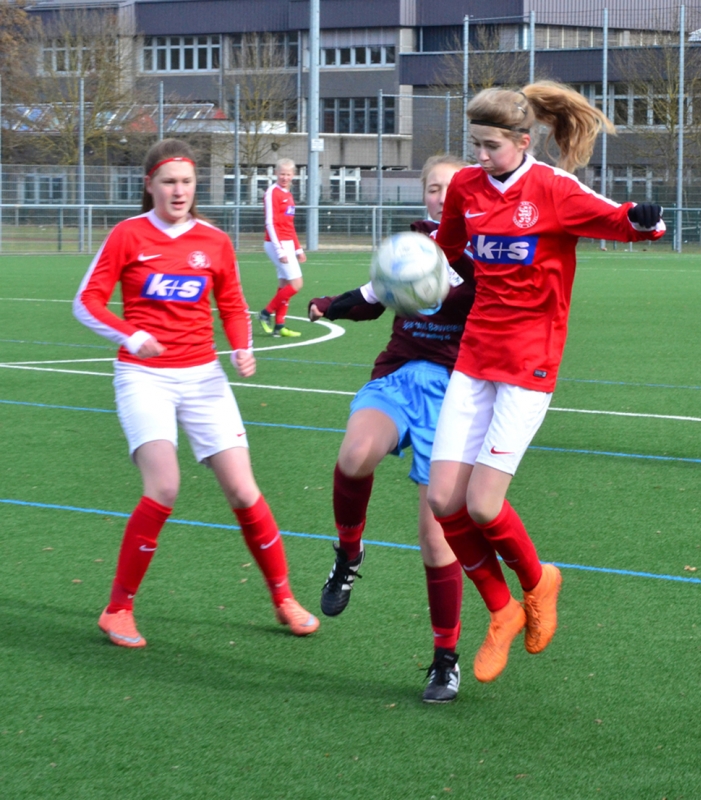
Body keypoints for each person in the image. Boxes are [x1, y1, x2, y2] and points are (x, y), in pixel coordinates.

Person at [427, 81, 665, 685]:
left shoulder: (555, 190)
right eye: (475, 144)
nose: (481, 156)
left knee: (483, 503)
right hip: (475, 358)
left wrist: (643, 220)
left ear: (523, 141)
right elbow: (446, 250)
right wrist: (409, 270)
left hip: (530, 364)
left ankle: (538, 584)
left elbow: (621, 221)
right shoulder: (466, 187)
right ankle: (502, 610)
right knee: (443, 500)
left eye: (491, 146)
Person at [73, 138, 319, 648]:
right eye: (169, 181)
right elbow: (87, 301)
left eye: (186, 181)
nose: (178, 190)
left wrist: (242, 347)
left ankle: (284, 599)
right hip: (144, 377)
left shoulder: (214, 241)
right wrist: (131, 336)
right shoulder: (128, 234)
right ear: (150, 185)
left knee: (243, 490)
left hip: (204, 377)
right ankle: (118, 609)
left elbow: (231, 305)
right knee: (164, 486)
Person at [309, 154, 475, 703]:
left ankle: (444, 661)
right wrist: (329, 305)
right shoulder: (413, 245)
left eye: (452, 190)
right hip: (399, 375)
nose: (441, 198)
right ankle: (348, 554)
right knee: (356, 454)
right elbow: (373, 296)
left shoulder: (485, 251)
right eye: (434, 188)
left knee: (435, 538)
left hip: (454, 394)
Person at [258, 158, 305, 338]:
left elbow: (289, 225)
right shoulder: (272, 192)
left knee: (285, 284)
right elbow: (270, 223)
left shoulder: (288, 194)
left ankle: (279, 325)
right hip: (276, 243)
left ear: (293, 175)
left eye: (288, 174)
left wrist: (298, 249)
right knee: (296, 284)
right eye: (282, 174)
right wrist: (279, 250)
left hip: (287, 243)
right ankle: (265, 313)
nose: (285, 177)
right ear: (276, 173)